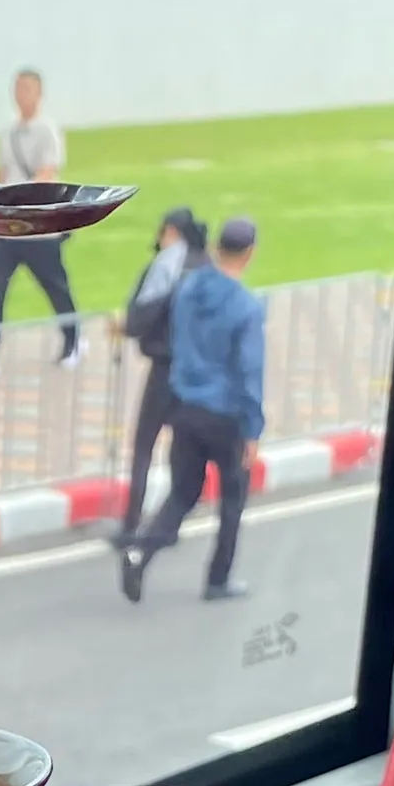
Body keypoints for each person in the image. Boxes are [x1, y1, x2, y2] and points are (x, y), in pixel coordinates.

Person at [123, 213, 265, 604]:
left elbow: (180, 344)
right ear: (249, 253)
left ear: (219, 247)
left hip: (184, 405)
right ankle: (218, 579)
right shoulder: (247, 308)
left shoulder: (188, 290)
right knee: (233, 496)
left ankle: (141, 552)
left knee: (183, 491)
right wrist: (253, 429)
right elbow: (249, 372)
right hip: (225, 416)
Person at [0, 69, 80, 364]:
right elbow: (0, 174)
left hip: (38, 227)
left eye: (28, 89)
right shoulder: (7, 132)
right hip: (8, 227)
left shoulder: (47, 131)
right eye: (18, 88)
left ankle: (73, 339)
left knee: (55, 287)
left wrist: (20, 199)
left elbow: (47, 173)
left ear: (39, 93)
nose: (22, 94)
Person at [116, 206, 202, 541]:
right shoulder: (206, 265)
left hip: (165, 368)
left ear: (171, 232)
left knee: (144, 445)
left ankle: (131, 524)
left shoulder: (167, 264)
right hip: (196, 373)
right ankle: (169, 525)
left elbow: (139, 316)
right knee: (182, 450)